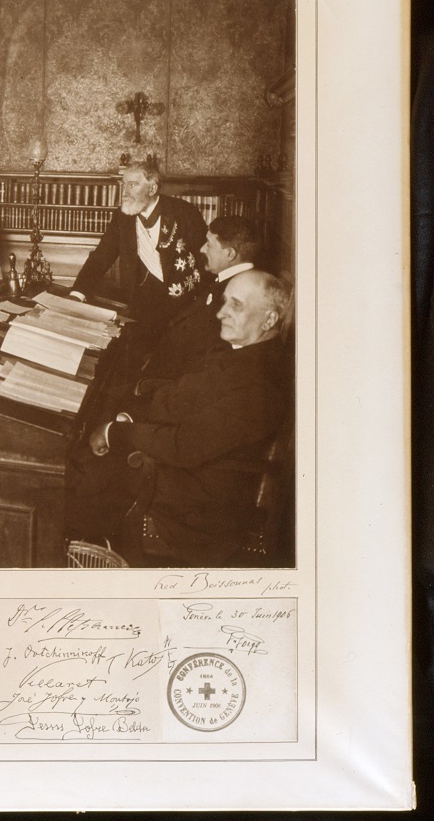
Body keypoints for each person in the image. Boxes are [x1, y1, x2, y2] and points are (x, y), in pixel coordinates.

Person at [68, 270, 292, 566]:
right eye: (225, 302)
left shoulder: (261, 383)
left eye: (236, 305)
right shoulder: (241, 351)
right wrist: (128, 416)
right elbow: (180, 398)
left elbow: (184, 446)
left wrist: (116, 433)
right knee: (79, 464)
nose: (221, 313)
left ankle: (87, 554)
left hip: (202, 504)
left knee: (75, 478)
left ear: (269, 319)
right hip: (191, 469)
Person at [72, 154, 208, 324]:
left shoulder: (184, 213)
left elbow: (206, 261)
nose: (125, 193)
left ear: (152, 189)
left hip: (182, 309)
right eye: (124, 185)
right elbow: (100, 258)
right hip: (139, 308)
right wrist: (77, 294)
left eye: (132, 185)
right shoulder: (122, 217)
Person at [139, 215, 264, 384]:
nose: (202, 249)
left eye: (209, 244)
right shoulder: (225, 280)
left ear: (230, 254)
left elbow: (212, 359)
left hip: (176, 383)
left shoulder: (240, 292)